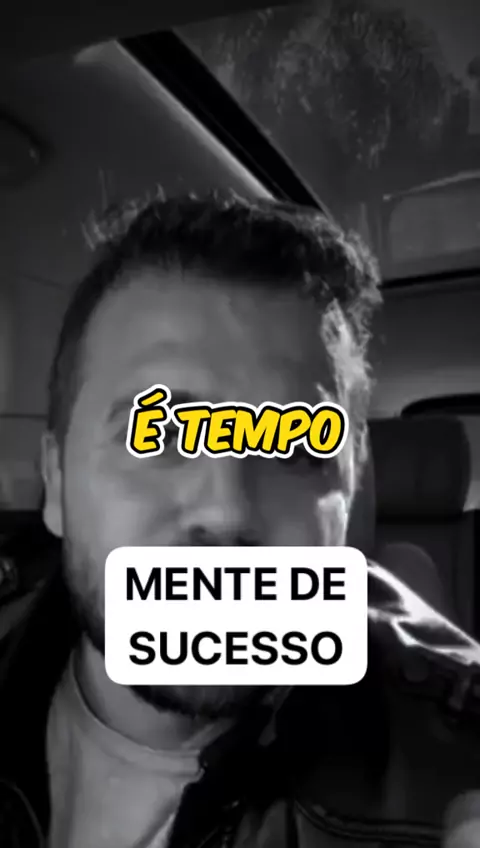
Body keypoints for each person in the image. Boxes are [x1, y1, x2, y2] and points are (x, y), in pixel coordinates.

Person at [0, 192, 480, 848]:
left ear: (352, 493)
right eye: (163, 435)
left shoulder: (454, 756)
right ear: (55, 483)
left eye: (295, 449)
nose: (228, 514)